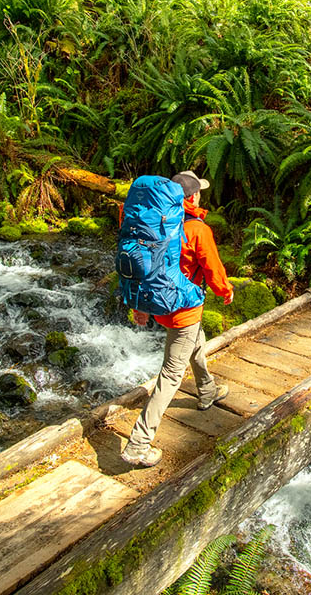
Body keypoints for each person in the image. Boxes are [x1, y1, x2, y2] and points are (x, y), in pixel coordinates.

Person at [121, 170, 234, 467]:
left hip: (159, 305)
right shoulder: (196, 229)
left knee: (195, 343)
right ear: (193, 196)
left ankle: (207, 390)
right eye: (199, 192)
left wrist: (140, 306)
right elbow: (212, 268)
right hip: (184, 308)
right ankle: (139, 443)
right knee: (171, 374)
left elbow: (141, 268)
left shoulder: (152, 224)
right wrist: (225, 291)